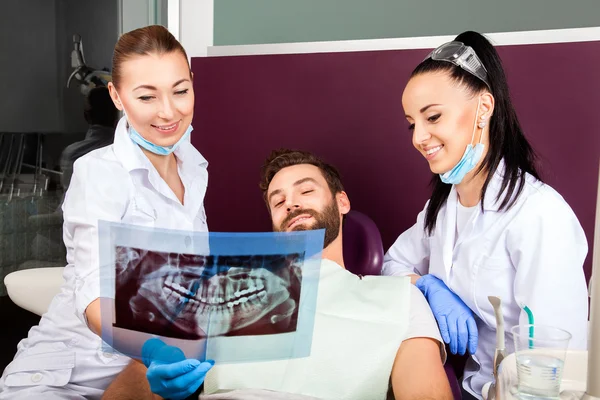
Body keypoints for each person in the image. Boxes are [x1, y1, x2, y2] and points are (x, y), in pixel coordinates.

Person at [103, 149, 452, 400]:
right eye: (278, 200)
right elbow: (139, 376)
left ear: (342, 202)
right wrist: (153, 376)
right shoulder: (224, 289)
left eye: (306, 190)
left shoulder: (400, 298)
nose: (291, 203)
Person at [0, 25, 211, 399]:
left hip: (134, 378)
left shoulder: (193, 169)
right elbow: (95, 296)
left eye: (181, 90)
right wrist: (154, 351)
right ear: (116, 95)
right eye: (147, 97)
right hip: (63, 378)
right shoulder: (100, 171)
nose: (168, 111)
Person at [381, 31, 588, 399]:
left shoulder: (538, 214)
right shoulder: (441, 210)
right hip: (465, 387)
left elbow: (556, 360)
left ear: (484, 108)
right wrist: (428, 286)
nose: (418, 137)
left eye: (433, 117)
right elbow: (392, 263)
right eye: (412, 123)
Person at [60, 86, 120, 191]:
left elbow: (69, 194)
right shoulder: (125, 151)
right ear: (117, 114)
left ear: (86, 116)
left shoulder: (72, 153)